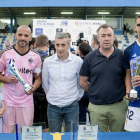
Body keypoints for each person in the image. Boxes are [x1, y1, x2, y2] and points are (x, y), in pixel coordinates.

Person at [79, 24, 127, 132]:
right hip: (97, 107)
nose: (106, 38)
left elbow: (126, 77)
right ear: (98, 38)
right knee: (98, 137)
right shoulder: (90, 58)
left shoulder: (122, 55)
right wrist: (95, 91)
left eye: (109, 35)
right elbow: (82, 82)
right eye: (103, 35)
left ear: (113, 37)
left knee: (118, 137)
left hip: (118, 105)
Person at [0, 25, 42, 133]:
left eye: (26, 35)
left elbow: (38, 79)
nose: (23, 37)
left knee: (25, 134)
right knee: (7, 134)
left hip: (26, 102)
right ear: (15, 36)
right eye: (20, 35)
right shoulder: (5, 54)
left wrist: (33, 87)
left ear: (30, 37)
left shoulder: (36, 57)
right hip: (8, 101)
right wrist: (8, 80)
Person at [42, 33, 84, 132]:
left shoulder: (77, 61)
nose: (60, 48)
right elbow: (45, 83)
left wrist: (75, 97)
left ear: (69, 45)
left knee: (72, 136)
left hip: (72, 105)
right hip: (53, 106)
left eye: (63, 45)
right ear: (54, 45)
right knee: (54, 136)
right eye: (57, 45)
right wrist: (52, 96)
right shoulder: (48, 62)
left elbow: (80, 83)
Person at [123, 15, 140, 131]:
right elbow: (127, 73)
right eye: (139, 25)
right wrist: (129, 90)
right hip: (136, 101)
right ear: (135, 27)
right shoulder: (129, 50)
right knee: (133, 135)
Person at [33, 34, 49, 132]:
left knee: (30, 123)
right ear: (47, 44)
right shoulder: (50, 59)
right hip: (45, 95)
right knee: (44, 125)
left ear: (35, 44)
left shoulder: (29, 57)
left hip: (30, 93)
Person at [78, 42, 91, 122]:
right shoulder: (92, 60)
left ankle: (81, 133)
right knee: (92, 116)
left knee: (81, 117)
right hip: (90, 91)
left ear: (79, 52)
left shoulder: (77, 62)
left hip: (81, 93)